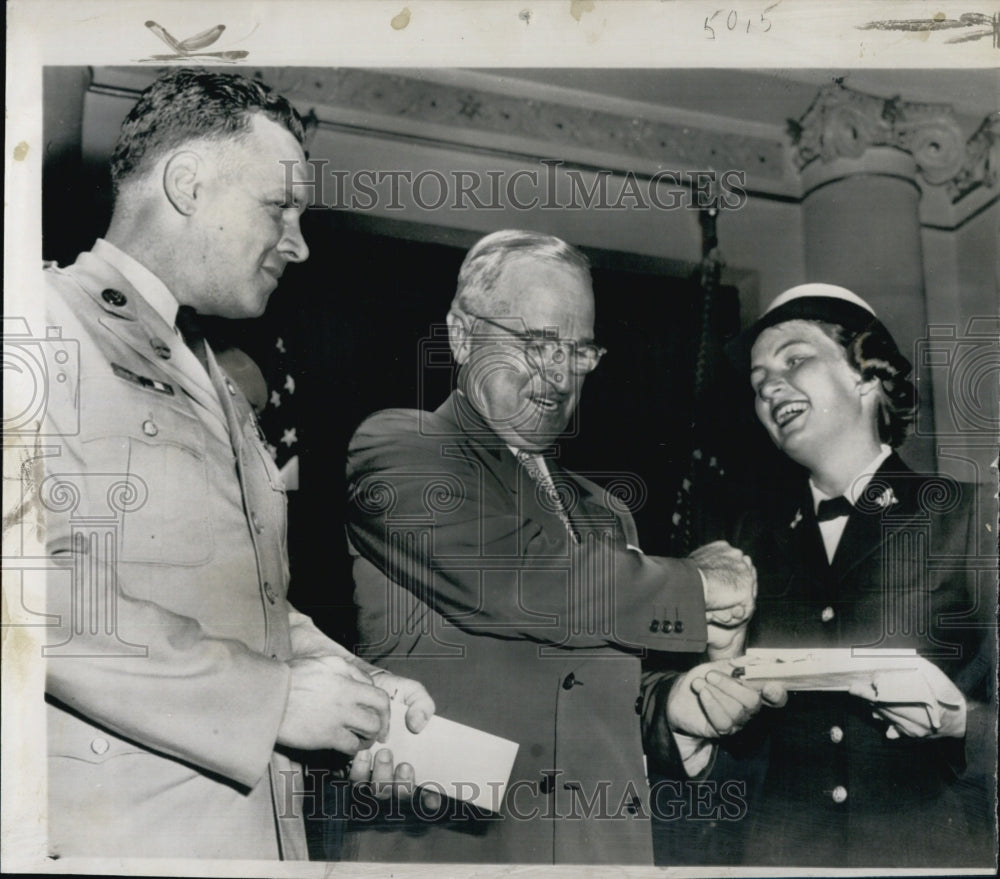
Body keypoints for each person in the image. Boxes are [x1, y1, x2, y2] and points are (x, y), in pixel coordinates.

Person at [40, 69, 433, 860]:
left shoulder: (210, 372)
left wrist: (349, 684)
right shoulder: (40, 320)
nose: (299, 242)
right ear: (187, 184)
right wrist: (272, 698)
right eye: (278, 206)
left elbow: (236, 603)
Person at [343, 229, 769, 863]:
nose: (560, 374)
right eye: (537, 343)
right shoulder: (400, 447)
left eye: (579, 351)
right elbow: (522, 580)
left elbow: (590, 693)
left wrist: (674, 713)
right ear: (462, 335)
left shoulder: (606, 512)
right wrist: (697, 584)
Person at [663, 283, 995, 867]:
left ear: (866, 375)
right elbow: (727, 751)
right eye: (758, 380)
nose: (769, 387)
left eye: (794, 359)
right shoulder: (740, 545)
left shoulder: (971, 517)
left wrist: (959, 722)